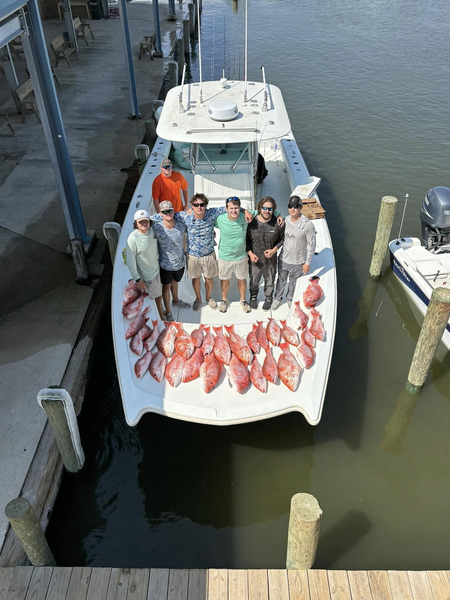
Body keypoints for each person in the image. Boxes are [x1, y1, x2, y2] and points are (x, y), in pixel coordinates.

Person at [175, 193, 252, 311]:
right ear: (192, 205)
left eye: (202, 204)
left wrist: (245, 210)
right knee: (196, 279)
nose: (199, 207)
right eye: (196, 205)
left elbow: (231, 207)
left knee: (209, 278)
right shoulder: (185, 215)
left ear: (206, 205)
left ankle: (209, 298)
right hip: (192, 255)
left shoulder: (212, 213)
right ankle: (198, 299)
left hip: (209, 253)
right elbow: (169, 216)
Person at [272, 195, 316, 310]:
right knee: (281, 280)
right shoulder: (285, 220)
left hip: (298, 262)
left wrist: (307, 263)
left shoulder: (307, 225)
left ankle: (290, 298)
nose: (293, 209)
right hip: (283, 259)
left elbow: (312, 245)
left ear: (300, 208)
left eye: (295, 206)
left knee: (293, 282)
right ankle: (277, 298)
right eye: (290, 206)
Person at [150, 201, 191, 321]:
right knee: (166, 287)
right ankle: (168, 311)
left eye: (170, 210)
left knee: (175, 282)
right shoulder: (156, 228)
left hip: (179, 263)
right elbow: (145, 222)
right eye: (165, 211)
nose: (168, 213)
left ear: (174, 211)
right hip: (165, 265)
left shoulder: (181, 225)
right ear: (160, 213)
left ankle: (176, 301)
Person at [246, 196, 285, 311]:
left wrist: (274, 250)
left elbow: (282, 239)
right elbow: (246, 240)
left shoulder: (278, 223)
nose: (267, 211)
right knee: (254, 280)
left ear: (273, 210)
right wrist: (250, 254)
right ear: (259, 208)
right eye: (264, 208)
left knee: (270, 281)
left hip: (270, 261)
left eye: (270, 209)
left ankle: (268, 298)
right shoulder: (251, 222)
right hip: (255, 260)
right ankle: (253, 297)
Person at [126, 209, 164, 320]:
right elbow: (130, 262)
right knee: (155, 297)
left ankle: (160, 311)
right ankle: (161, 317)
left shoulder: (151, 230)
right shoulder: (132, 239)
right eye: (140, 222)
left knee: (158, 294)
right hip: (147, 276)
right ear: (135, 224)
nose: (144, 224)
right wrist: (138, 280)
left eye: (146, 221)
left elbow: (162, 218)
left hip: (157, 270)